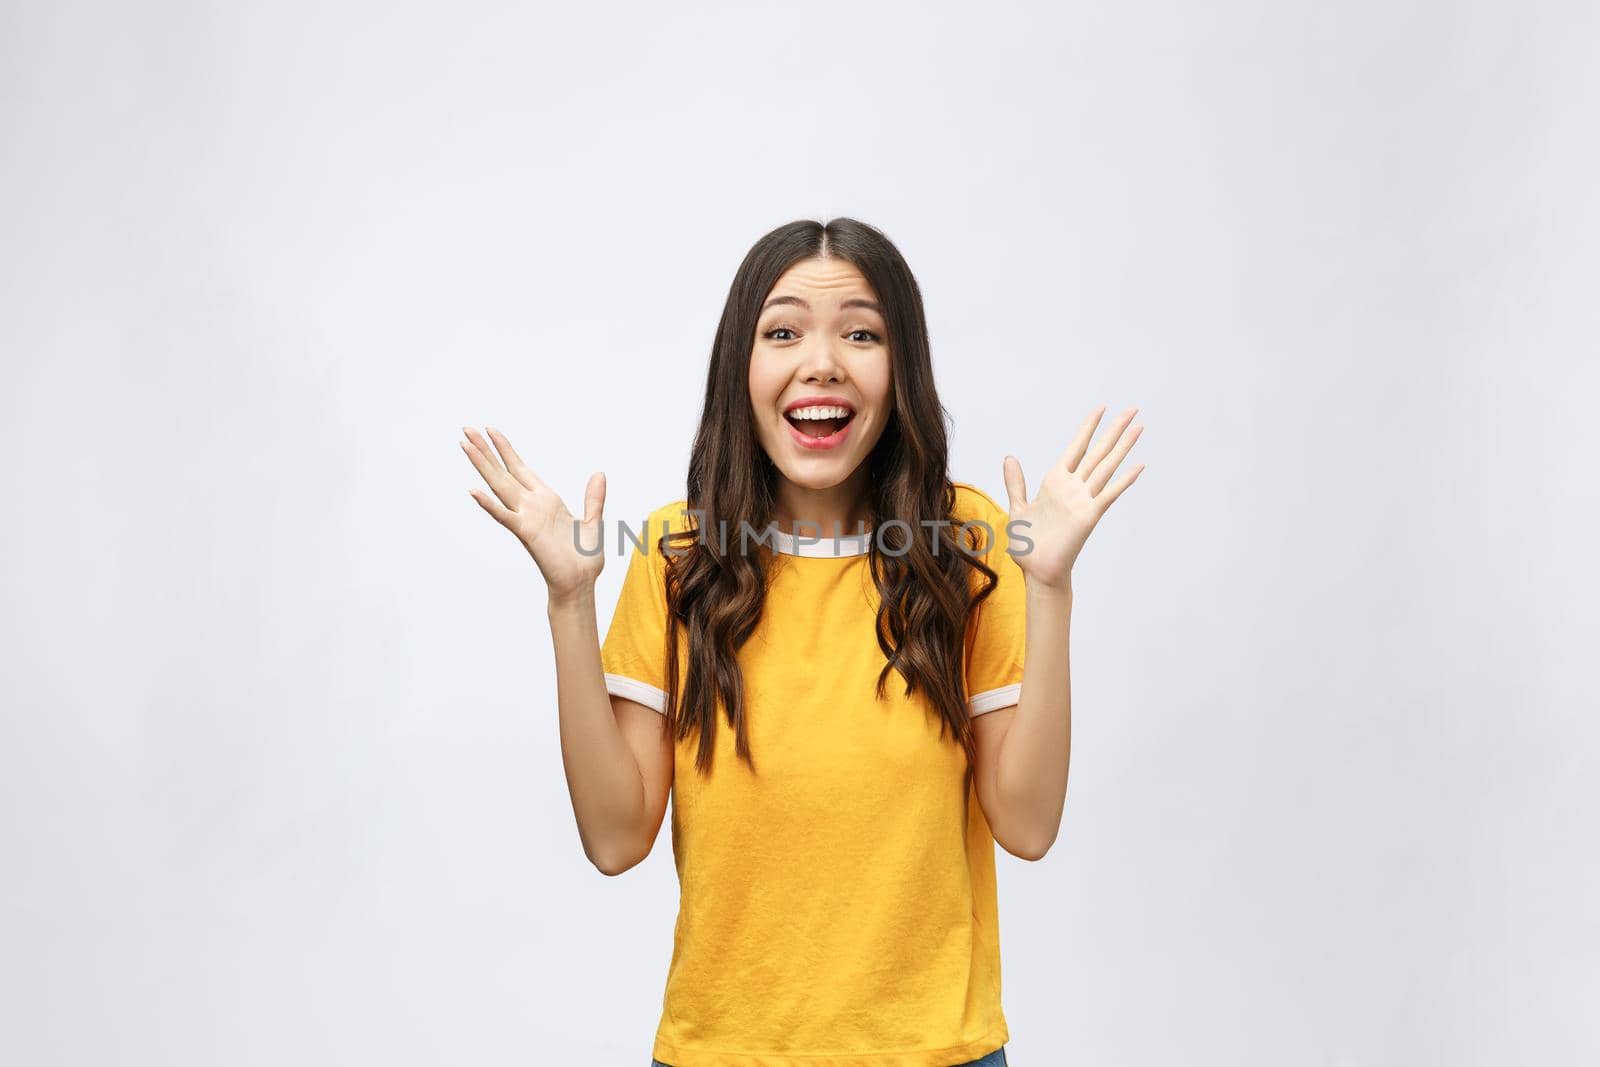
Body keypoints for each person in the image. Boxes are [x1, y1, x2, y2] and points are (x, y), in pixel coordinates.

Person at [460, 217, 1144, 1066]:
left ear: (902, 371)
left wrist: (1050, 589)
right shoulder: (679, 555)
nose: (821, 361)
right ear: (740, 369)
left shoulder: (967, 543)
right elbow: (614, 837)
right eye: (782, 331)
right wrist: (570, 602)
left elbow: (1030, 824)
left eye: (861, 333)